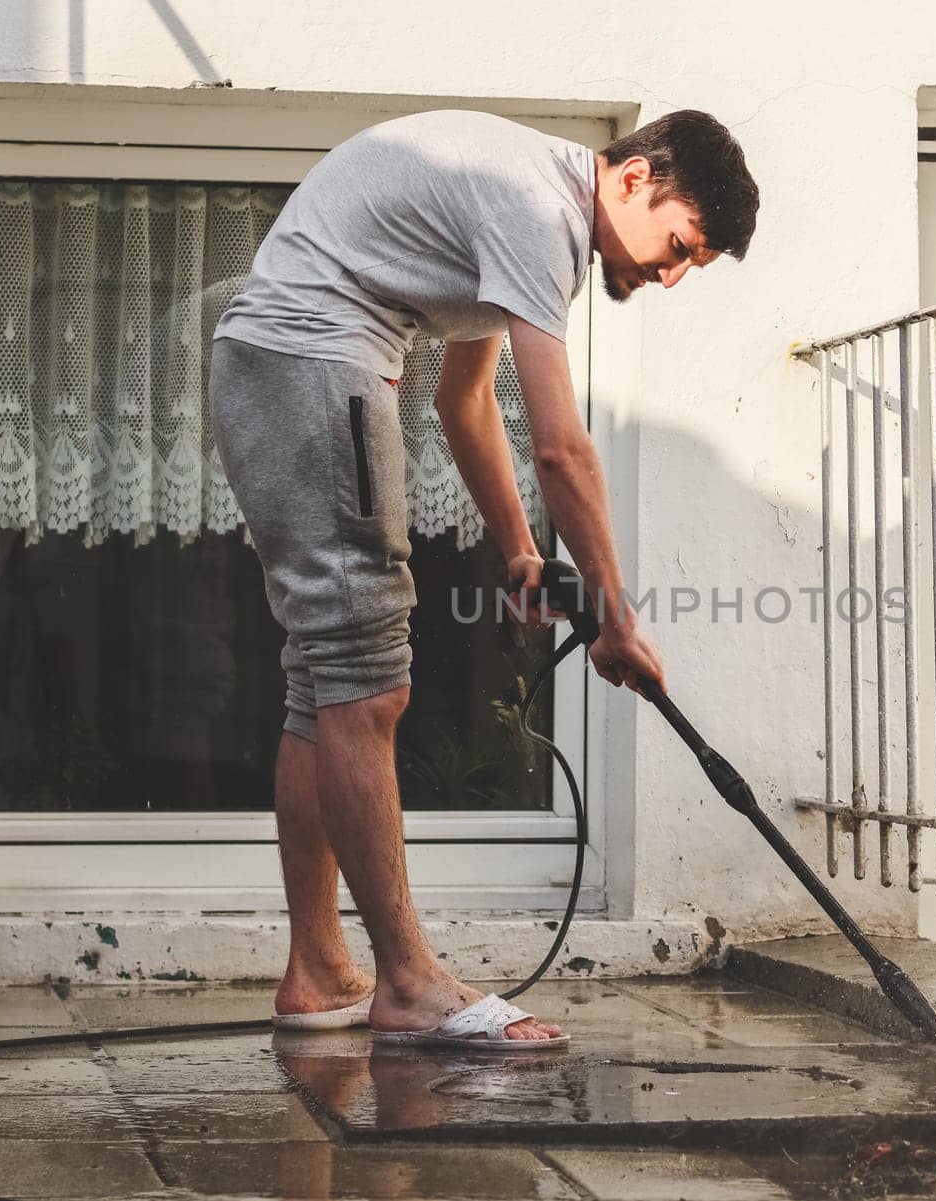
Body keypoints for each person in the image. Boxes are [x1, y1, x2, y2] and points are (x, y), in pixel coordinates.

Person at [208, 108, 759, 1047]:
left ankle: (316, 970)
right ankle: (411, 982)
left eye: (687, 267)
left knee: (327, 682)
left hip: (289, 365)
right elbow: (561, 449)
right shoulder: (536, 209)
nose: (668, 276)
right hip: (314, 366)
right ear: (632, 180)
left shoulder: (523, 198)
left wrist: (519, 550)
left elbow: (463, 401)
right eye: (678, 248)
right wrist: (618, 616)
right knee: (366, 680)